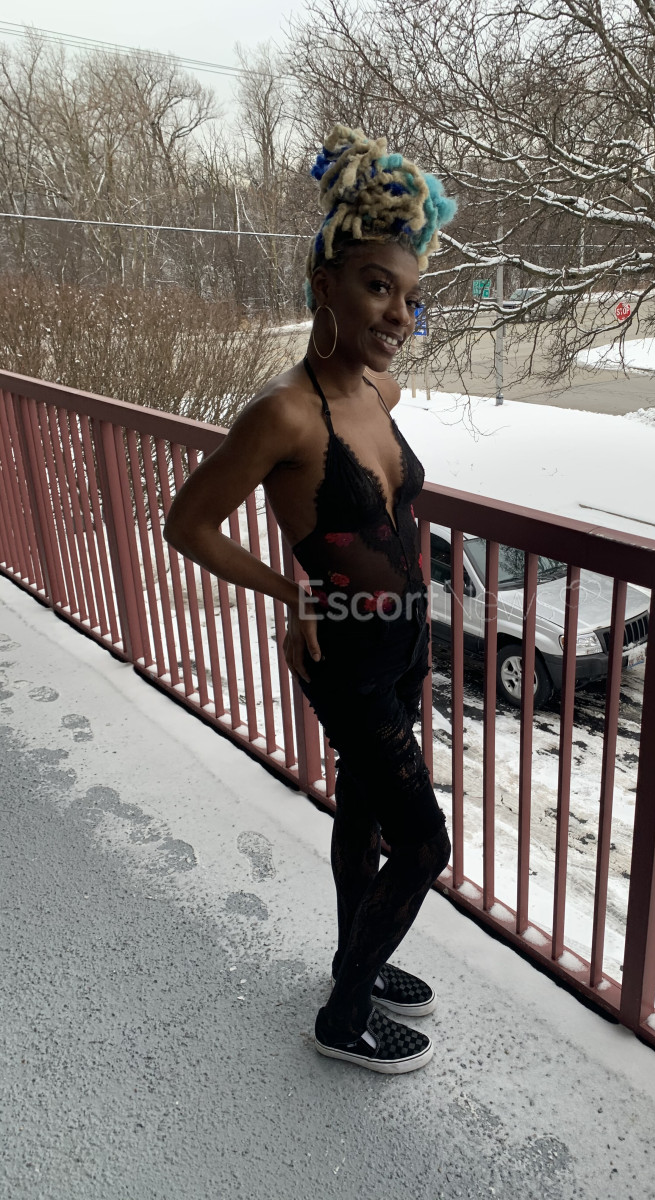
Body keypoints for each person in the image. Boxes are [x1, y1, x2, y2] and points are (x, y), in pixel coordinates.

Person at [164, 126, 457, 1074]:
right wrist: (288, 589)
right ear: (324, 283)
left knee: (362, 811)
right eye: (378, 286)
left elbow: (394, 517)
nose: (399, 313)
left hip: (404, 643)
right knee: (424, 846)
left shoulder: (382, 390)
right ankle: (344, 1015)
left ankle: (354, 958)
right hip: (347, 657)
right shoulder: (284, 412)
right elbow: (189, 524)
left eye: (410, 296)